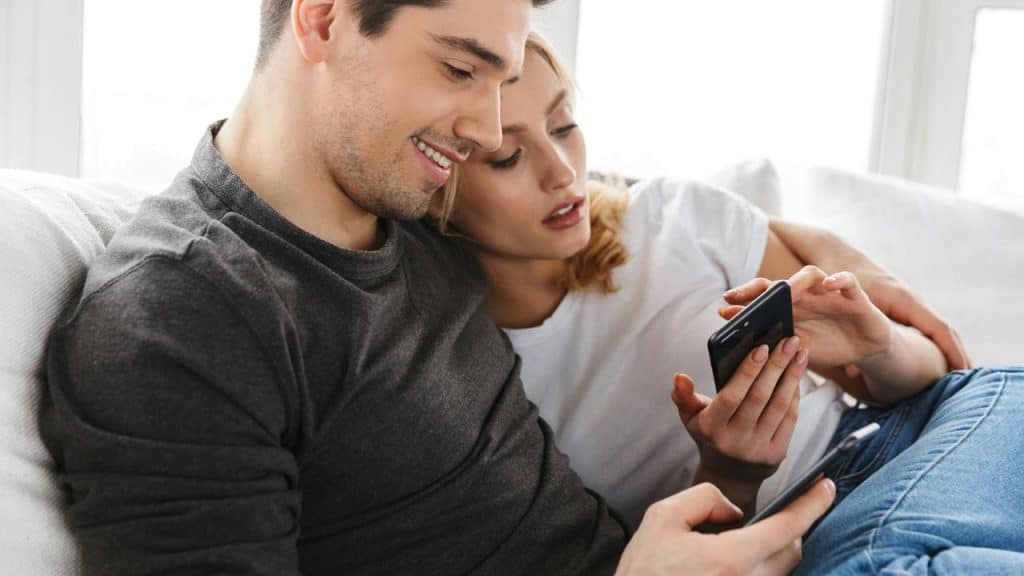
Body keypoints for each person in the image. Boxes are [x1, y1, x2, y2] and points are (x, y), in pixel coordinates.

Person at [40, 1, 837, 575]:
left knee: (962, 408)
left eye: (502, 80)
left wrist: (726, 477)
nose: (488, 129)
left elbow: (595, 202)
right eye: (460, 69)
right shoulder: (180, 319)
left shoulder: (421, 217)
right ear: (322, 19)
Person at [434, 31, 1024, 573]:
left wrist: (879, 346)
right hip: (808, 539)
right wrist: (730, 476)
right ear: (436, 188)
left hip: (938, 429)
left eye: (563, 125)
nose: (562, 173)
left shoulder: (676, 217)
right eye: (508, 157)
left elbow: (939, 377)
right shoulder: (470, 388)